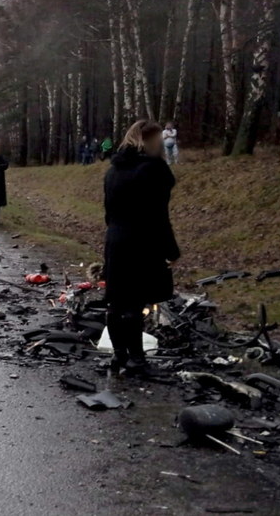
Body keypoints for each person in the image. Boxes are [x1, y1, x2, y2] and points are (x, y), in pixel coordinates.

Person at [103, 120, 180, 377]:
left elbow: (108, 213)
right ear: (151, 141)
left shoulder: (113, 170)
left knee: (116, 303)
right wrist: (171, 251)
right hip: (141, 242)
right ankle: (137, 361)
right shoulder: (152, 170)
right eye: (158, 140)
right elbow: (158, 216)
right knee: (134, 304)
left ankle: (119, 356)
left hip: (115, 240)